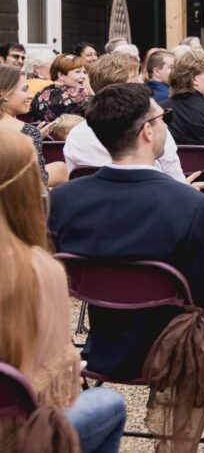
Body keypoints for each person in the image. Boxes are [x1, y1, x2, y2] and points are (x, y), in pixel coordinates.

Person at [49, 83, 204, 424]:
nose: (168, 124)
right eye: (164, 117)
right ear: (147, 131)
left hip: (105, 344)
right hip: (178, 347)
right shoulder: (187, 203)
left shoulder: (63, 200)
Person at [0, 132, 127, 453]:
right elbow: (56, 396)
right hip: (14, 432)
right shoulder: (36, 271)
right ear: (28, 188)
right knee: (108, 402)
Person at [64, 53, 187, 182]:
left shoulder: (76, 136)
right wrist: (186, 190)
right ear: (122, 92)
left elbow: (75, 179)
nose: (142, 83)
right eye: (135, 81)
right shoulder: (152, 126)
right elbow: (174, 177)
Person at [0, 65, 67, 187]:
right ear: (3, 94)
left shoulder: (27, 131)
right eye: (25, 89)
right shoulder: (26, 131)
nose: (31, 95)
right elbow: (37, 184)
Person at [29, 54, 91, 123]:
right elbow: (99, 118)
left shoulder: (41, 93)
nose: (84, 76)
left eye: (84, 72)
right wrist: (89, 89)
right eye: (78, 72)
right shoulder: (81, 93)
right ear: (61, 75)